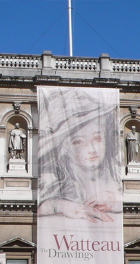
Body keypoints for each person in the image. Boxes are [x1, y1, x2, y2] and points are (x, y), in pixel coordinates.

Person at [38, 87, 122, 224]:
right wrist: (57, 206)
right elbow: (38, 206)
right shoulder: (53, 184)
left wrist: (115, 200)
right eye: (79, 142)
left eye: (97, 138)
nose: (92, 149)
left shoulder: (116, 176)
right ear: (63, 149)